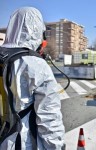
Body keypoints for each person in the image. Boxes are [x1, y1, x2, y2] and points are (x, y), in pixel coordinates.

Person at [0, 7, 65, 150]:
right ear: (36, 30)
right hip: (22, 142)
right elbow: (49, 118)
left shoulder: (3, 57)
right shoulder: (35, 64)